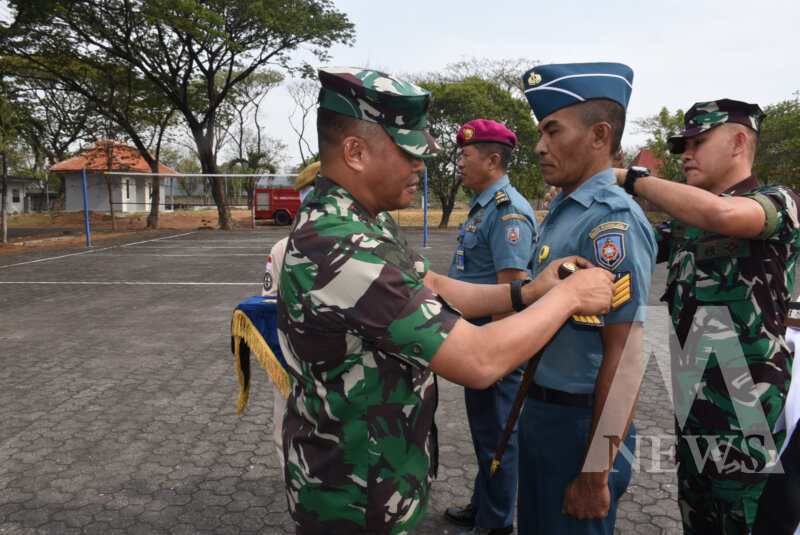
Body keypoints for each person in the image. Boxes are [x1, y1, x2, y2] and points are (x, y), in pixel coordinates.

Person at [276, 66, 616, 535]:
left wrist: (530, 291)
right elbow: (477, 361)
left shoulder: (365, 221)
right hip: (353, 496)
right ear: (355, 152)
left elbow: (433, 284)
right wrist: (570, 297)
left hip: (376, 474)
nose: (421, 167)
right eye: (408, 153)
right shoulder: (342, 243)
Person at [611, 98, 800, 534]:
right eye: (682, 146)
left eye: (698, 142)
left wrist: (631, 179)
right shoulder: (685, 223)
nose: (686, 154)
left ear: (738, 142)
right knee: (697, 521)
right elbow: (626, 249)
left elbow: (722, 214)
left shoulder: (778, 201)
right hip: (694, 412)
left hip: (749, 421)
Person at [517, 62, 657, 534]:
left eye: (553, 131)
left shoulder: (610, 221)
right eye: (540, 133)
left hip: (581, 426)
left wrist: (596, 472)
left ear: (599, 136)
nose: (540, 146)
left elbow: (626, 355)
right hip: (543, 412)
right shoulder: (566, 209)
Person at [443, 119, 537, 535]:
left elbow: (511, 292)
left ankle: (497, 523)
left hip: (493, 337)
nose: (460, 163)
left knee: (499, 435)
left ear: (493, 160)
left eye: (465, 156)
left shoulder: (506, 212)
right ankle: (484, 505)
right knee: (486, 432)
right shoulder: (484, 206)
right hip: (475, 334)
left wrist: (497, 355)